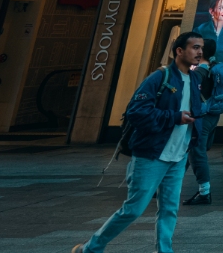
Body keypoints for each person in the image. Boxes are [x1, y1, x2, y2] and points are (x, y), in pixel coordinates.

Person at [72, 32, 203, 253]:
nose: (200, 52)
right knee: (133, 209)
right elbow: (136, 111)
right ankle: (91, 248)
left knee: (170, 209)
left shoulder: (195, 79)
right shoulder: (159, 78)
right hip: (151, 155)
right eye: (195, 47)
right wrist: (174, 117)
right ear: (179, 51)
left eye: (202, 48)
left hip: (178, 156)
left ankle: (164, 250)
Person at [183, 37, 223, 206]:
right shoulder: (213, 68)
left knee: (196, 152)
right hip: (211, 116)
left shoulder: (200, 72)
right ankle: (168, 185)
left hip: (201, 117)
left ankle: (204, 191)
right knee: (190, 150)